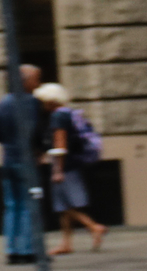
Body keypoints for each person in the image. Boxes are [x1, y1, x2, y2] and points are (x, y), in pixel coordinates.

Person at [36, 82, 106, 254]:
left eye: (43, 101)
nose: (42, 105)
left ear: (50, 101)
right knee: (63, 206)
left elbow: (60, 144)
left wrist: (58, 170)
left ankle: (94, 227)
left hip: (65, 166)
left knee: (67, 206)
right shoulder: (70, 113)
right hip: (74, 163)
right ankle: (66, 243)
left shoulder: (57, 117)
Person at [0, 63, 45, 264]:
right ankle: (27, 250)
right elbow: (38, 131)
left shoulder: (4, 102)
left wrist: (8, 142)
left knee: (12, 206)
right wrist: (38, 150)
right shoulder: (32, 103)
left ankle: (11, 249)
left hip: (8, 159)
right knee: (28, 205)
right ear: (26, 81)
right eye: (36, 79)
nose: (38, 84)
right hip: (26, 159)